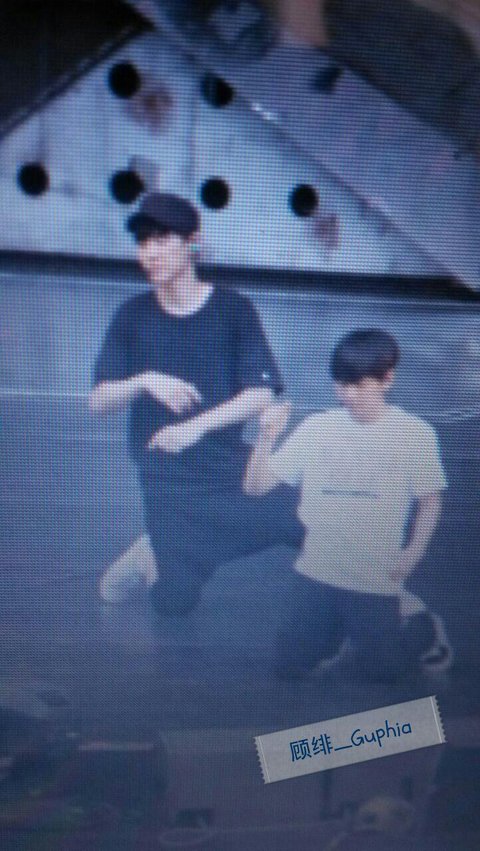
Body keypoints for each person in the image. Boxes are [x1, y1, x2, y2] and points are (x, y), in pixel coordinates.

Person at [90, 192, 303, 616]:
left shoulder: (232, 309)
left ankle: (399, 610)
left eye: (161, 240)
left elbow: (262, 392)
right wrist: (144, 381)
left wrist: (195, 426)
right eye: (143, 242)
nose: (149, 253)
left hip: (230, 464)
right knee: (174, 602)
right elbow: (99, 400)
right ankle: (157, 550)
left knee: (315, 522)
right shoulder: (132, 315)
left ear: (193, 243)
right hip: (166, 480)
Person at [243, 328, 450, 681]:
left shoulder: (414, 433)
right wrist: (267, 436)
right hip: (316, 572)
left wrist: (413, 553)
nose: (347, 395)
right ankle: (334, 632)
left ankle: (421, 623)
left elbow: (430, 501)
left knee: (384, 675)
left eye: (358, 385)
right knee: (288, 667)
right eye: (341, 384)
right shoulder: (317, 427)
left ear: (387, 379)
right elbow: (255, 487)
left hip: (375, 578)